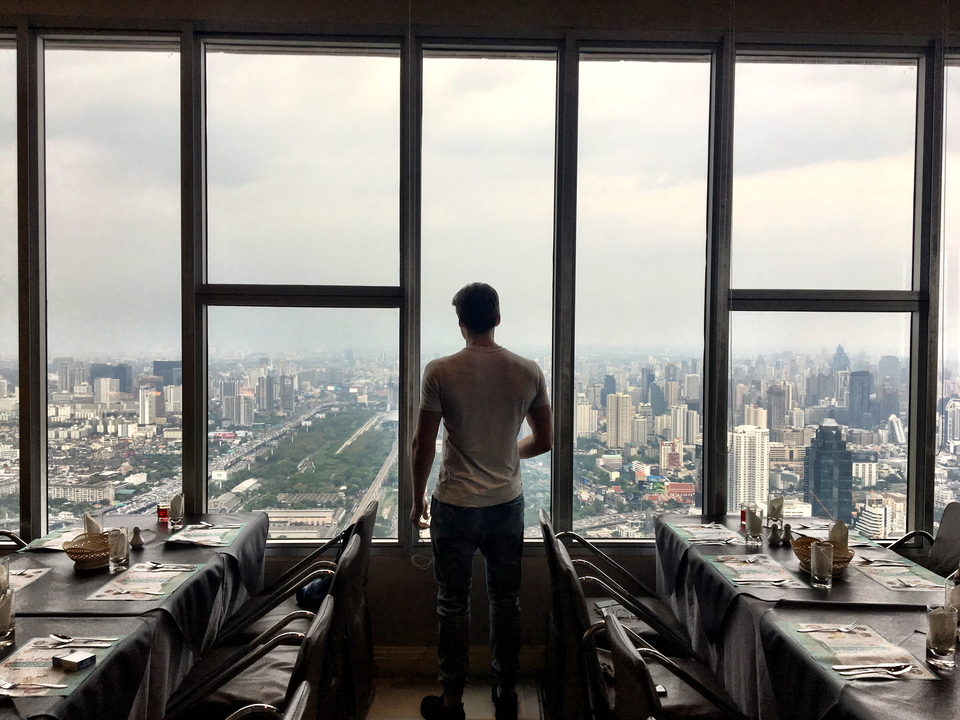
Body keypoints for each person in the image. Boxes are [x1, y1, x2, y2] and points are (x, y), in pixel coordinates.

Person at [410, 282, 553, 720]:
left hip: (453, 504)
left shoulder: (440, 371)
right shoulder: (528, 371)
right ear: (497, 318)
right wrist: (508, 451)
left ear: (461, 323)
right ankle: (506, 692)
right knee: (506, 602)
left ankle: (452, 701)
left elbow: (423, 444)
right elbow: (544, 440)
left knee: (452, 604)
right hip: (505, 505)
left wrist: (417, 500)